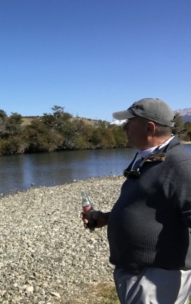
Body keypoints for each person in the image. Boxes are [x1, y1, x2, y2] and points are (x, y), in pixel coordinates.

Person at [81, 98, 191, 304]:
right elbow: (150, 209)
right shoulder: (150, 159)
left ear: (150, 128)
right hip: (139, 274)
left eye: (129, 122)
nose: (124, 127)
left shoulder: (179, 165)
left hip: (157, 278)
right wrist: (105, 218)